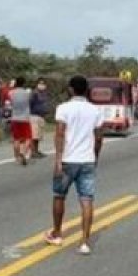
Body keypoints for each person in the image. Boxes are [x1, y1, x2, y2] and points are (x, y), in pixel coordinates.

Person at [44, 76, 105, 256]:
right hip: (87, 160)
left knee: (59, 196)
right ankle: (85, 242)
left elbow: (60, 134)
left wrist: (57, 160)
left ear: (71, 89)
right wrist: (95, 156)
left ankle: (57, 233)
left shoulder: (63, 108)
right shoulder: (95, 110)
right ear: (87, 90)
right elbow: (99, 137)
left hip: (68, 159)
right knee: (86, 200)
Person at [9, 77, 33, 165]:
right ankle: (23, 152)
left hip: (15, 118)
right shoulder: (27, 92)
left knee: (16, 139)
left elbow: (10, 101)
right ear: (24, 83)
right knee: (28, 138)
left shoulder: (11, 92)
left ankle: (16, 157)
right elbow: (29, 100)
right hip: (25, 118)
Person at [30, 78, 50, 158]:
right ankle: (33, 152)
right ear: (37, 84)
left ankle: (36, 150)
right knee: (34, 135)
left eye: (43, 83)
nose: (42, 85)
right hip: (34, 116)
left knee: (38, 136)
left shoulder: (44, 94)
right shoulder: (34, 93)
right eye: (40, 83)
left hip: (41, 116)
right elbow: (30, 103)